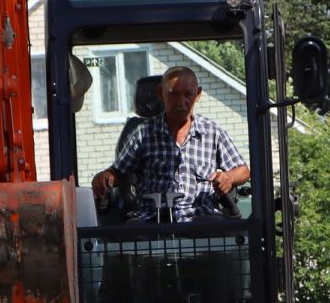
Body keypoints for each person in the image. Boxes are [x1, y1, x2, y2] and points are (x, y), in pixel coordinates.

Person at [91, 65, 249, 221]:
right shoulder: (143, 133)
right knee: (134, 234)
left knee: (216, 229)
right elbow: (118, 172)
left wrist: (228, 177)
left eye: (188, 94)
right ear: (161, 94)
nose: (181, 102)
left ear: (198, 94)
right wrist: (105, 177)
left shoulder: (212, 132)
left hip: (200, 216)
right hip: (151, 218)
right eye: (173, 94)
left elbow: (243, 171)